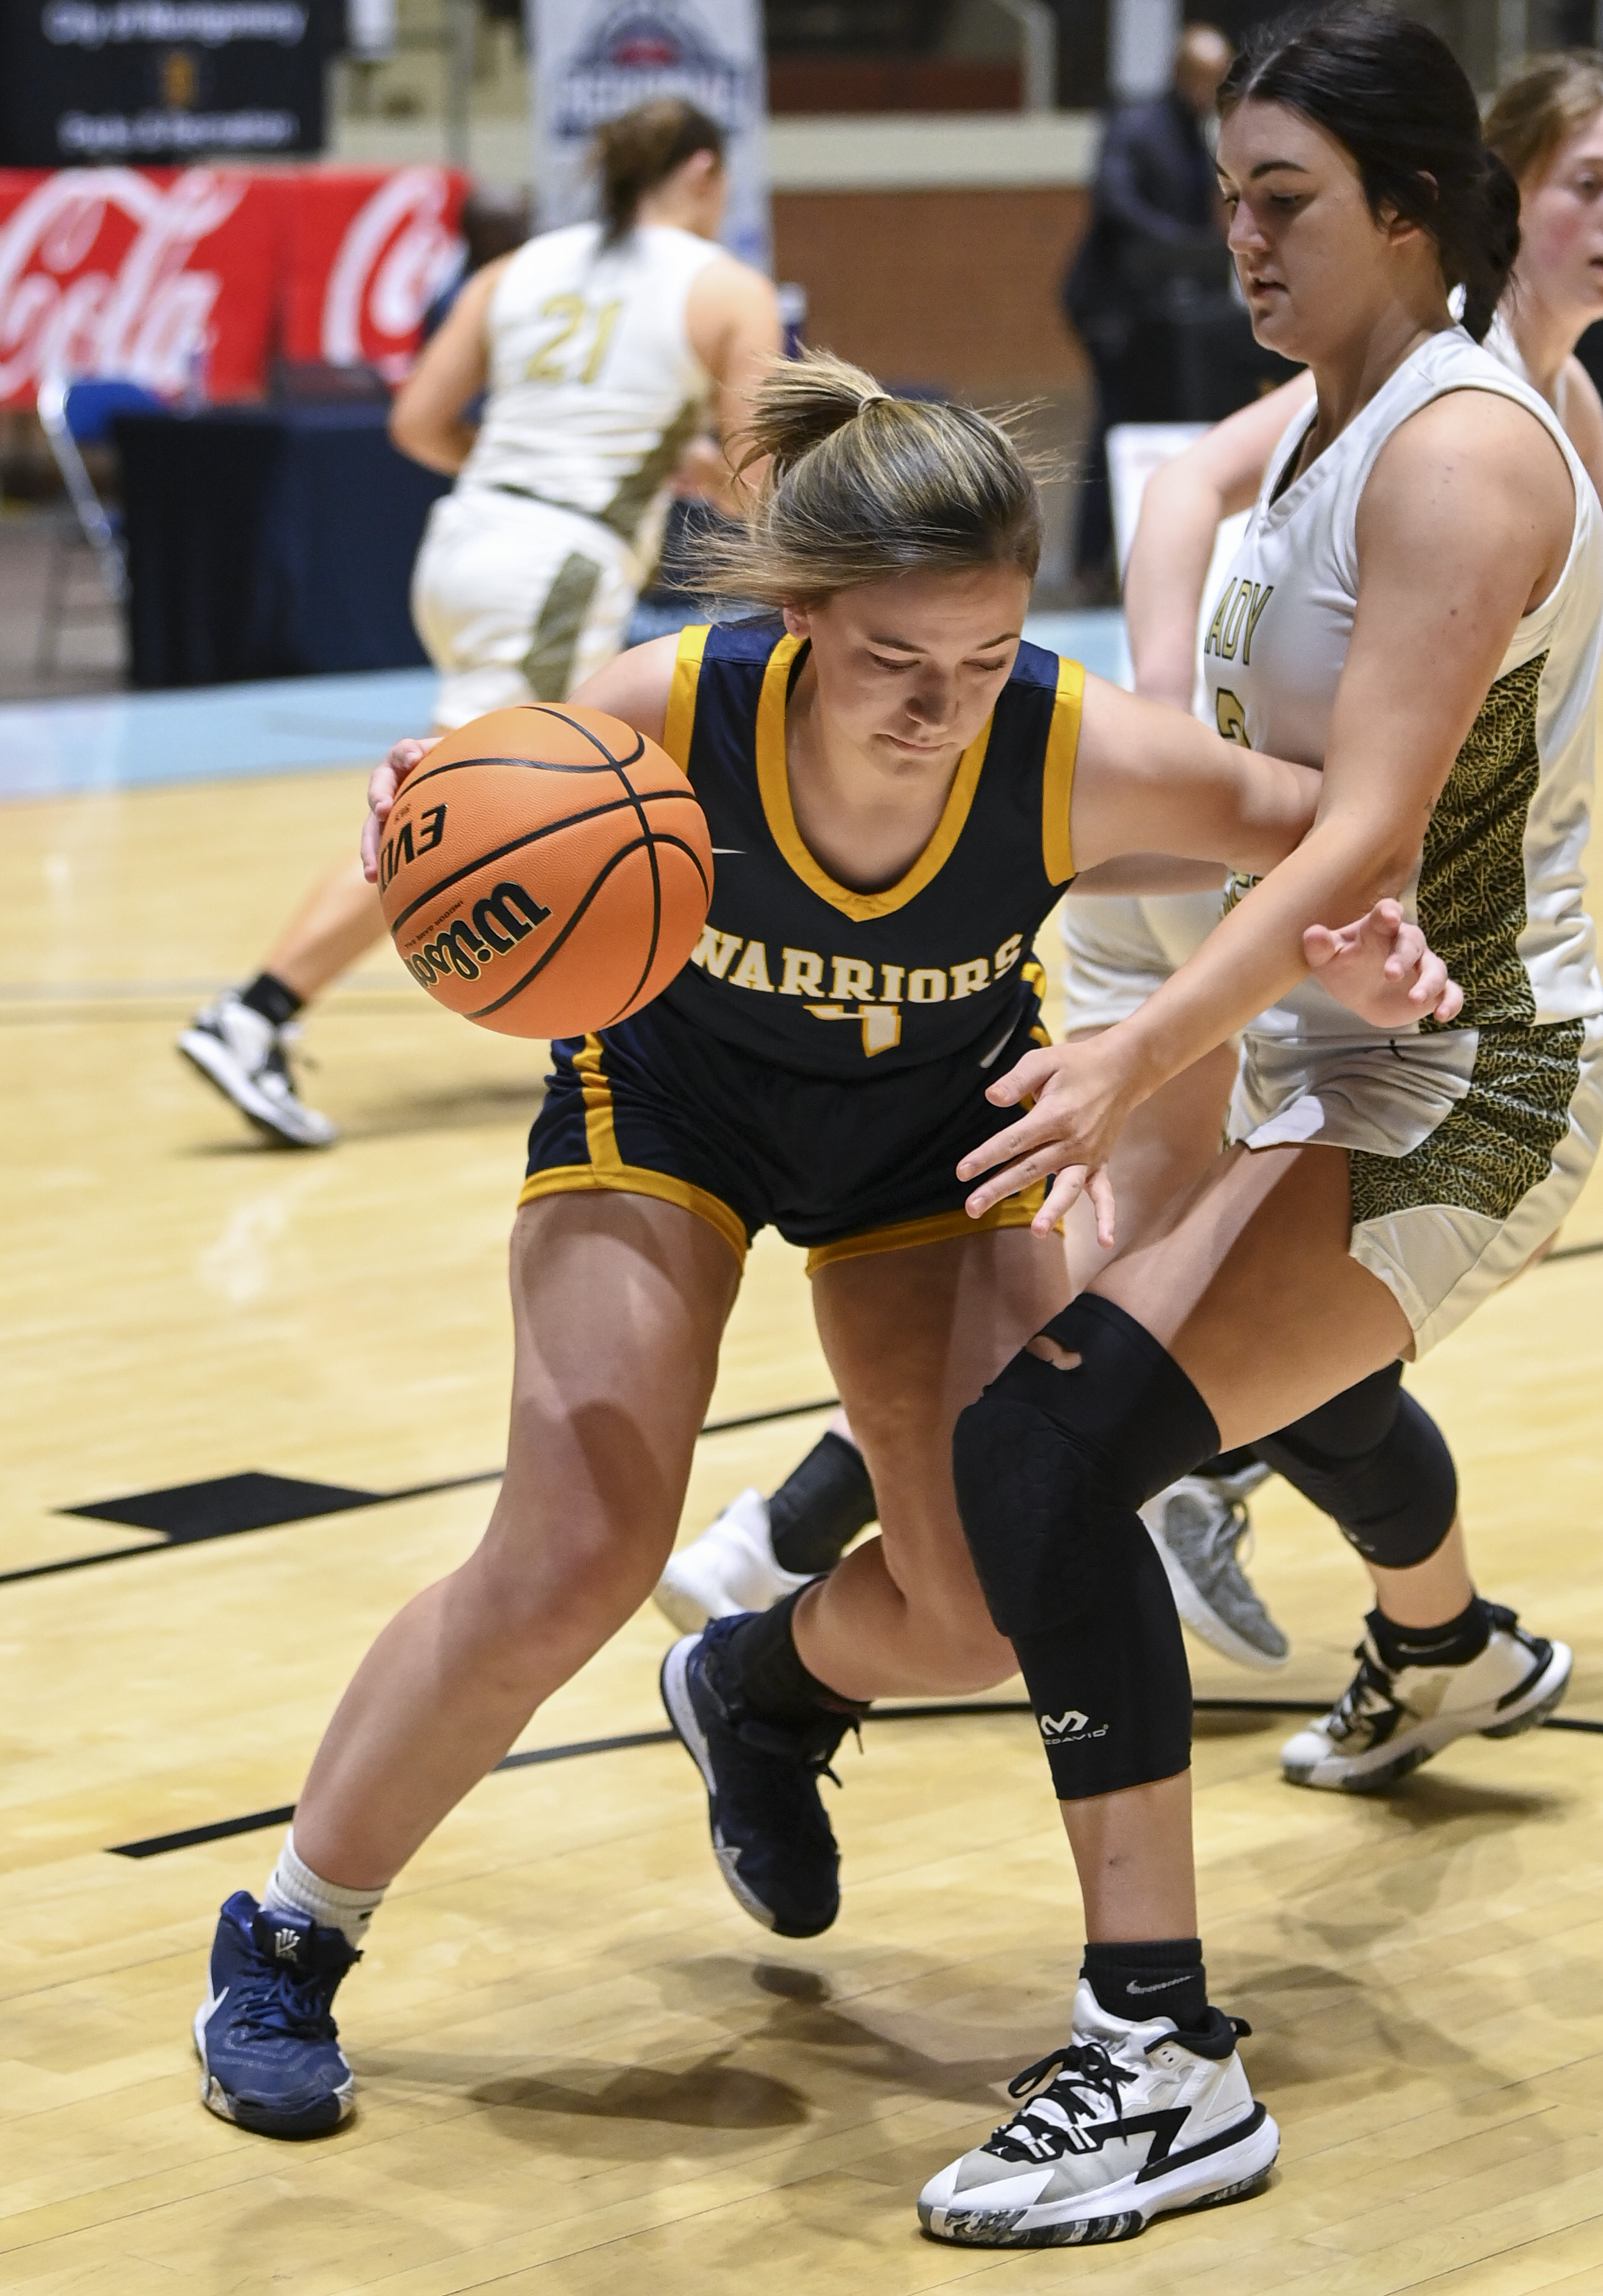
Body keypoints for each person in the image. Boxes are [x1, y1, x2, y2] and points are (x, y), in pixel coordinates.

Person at [189, 350, 1460, 2146]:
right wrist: (432, 808)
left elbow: (1321, 823)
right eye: (891, 662)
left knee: (972, 1600)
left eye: (980, 656)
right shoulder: (668, 704)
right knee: (576, 1545)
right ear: (798, 617)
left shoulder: (1058, 740)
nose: (942, 706)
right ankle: (290, 1933)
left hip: (926, 1148)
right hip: (674, 1107)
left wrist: (1349, 937)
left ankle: (754, 1687)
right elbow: (459, 814)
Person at [911, 5, 1603, 2244]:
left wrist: (1131, 1051)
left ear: (1415, 208)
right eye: (1229, 196)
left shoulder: (1463, 453)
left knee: (1045, 1452)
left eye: (1285, 197)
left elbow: (1363, 837)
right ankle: (1451, 1643)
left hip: (1471, 1080)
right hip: (1337, 1046)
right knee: (1188, 1408)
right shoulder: (1315, 433)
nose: (1238, 238)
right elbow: (1259, 828)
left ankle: (1162, 2054)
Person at [1068, 45, 1603, 1688]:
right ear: (1487, 195)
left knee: (1165, 1348)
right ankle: (811, 1539)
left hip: (1350, 934)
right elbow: (1184, 475)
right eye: (1587, 183)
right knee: (1091, 1359)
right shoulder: (1415, 389)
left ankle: (1420, 1623)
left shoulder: (1531, 403)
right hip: (1254, 891)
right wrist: (1172, 711)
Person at [176, 98, 781, 1150]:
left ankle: (691, 1014)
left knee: (640, 771)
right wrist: (665, 477)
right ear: (702, 173)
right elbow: (758, 481)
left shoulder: (518, 271)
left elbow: (416, 420)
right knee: (463, 798)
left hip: (466, 540)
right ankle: (255, 1010)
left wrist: (534, 475)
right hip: (555, 562)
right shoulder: (727, 289)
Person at [1066, 22, 1236, 585]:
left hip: (1170, 312)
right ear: (1183, 75)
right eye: (1207, 79)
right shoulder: (1136, 124)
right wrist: (1182, 248)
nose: (1213, 90)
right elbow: (1114, 202)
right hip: (1113, 307)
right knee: (1115, 419)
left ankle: (1141, 555)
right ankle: (1089, 561)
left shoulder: (1201, 131)